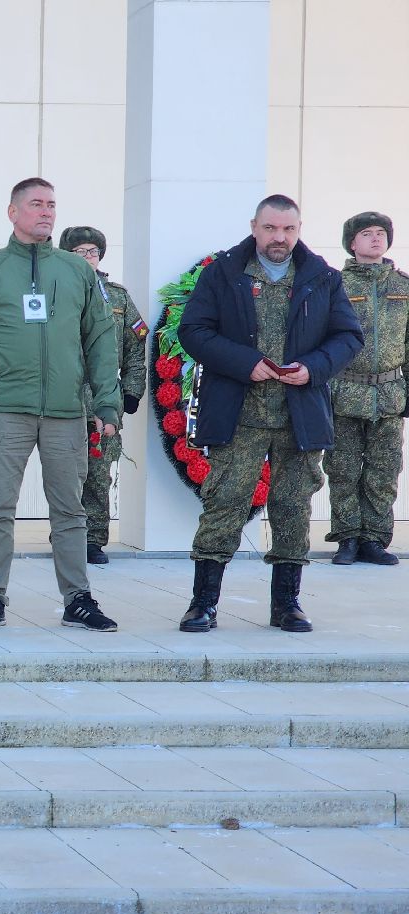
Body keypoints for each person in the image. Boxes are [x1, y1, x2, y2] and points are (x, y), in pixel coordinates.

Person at [177, 194, 363, 633]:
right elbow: (193, 330)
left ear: (299, 229)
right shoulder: (223, 273)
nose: (279, 238)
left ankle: (288, 604)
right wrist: (244, 363)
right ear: (254, 226)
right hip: (238, 413)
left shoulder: (322, 277)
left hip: (299, 414)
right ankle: (202, 603)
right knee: (223, 504)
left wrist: (313, 368)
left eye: (288, 229)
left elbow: (348, 337)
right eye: (271, 228)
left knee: (293, 507)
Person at [0, 178, 121, 632]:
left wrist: (107, 404)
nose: (45, 212)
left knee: (70, 510)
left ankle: (78, 599)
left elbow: (102, 338)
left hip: (67, 413)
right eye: (35, 204)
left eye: (51, 205)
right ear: (12, 212)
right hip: (5, 411)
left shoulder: (77, 271)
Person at [60, 226, 149, 564]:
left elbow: (135, 347)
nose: (86, 258)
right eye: (78, 252)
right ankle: (66, 535)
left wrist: (131, 392)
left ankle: (93, 539)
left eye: (92, 252)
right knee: (65, 473)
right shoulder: (55, 293)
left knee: (99, 473)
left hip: (103, 403)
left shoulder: (117, 297)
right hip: (62, 400)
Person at [325, 211, 409, 567]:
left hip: (389, 393)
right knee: (343, 468)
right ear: (352, 243)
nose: (376, 239)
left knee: (384, 469)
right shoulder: (334, 285)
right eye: (367, 234)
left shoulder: (404, 286)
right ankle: (347, 537)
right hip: (345, 391)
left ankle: (374, 538)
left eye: (381, 233)